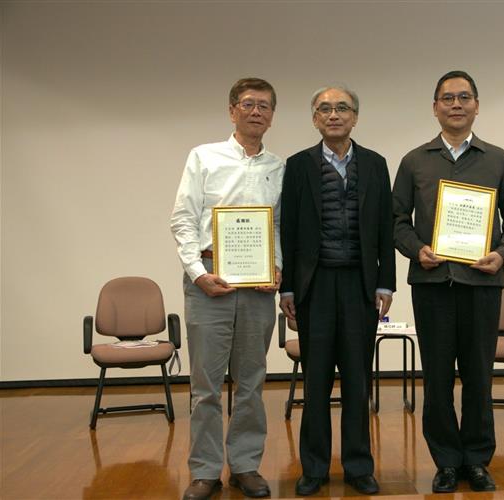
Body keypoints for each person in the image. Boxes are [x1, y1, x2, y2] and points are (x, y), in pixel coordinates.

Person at [392, 70, 504, 493]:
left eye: (464, 97)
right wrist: (417, 248)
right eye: (447, 98)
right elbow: (396, 221)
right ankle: (446, 462)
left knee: (478, 376)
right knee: (436, 379)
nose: (456, 104)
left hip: (482, 284)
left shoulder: (499, 159)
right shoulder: (415, 161)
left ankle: (476, 459)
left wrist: (502, 254)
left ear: (476, 105)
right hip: (433, 284)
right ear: (435, 107)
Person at [279, 85, 396, 496]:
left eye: (341, 108)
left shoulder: (377, 164)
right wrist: (288, 288)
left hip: (360, 285)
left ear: (355, 117)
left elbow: (385, 226)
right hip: (315, 287)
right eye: (324, 109)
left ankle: (358, 465)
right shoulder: (297, 166)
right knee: (315, 382)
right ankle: (313, 467)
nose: (333, 115)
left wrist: (386, 282)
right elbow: (289, 230)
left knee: (358, 380)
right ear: (314, 118)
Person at [170, 77, 283, 500]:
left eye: (265, 106)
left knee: (252, 381)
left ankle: (246, 465)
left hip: (257, 286)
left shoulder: (278, 167)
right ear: (232, 109)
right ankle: (203, 471)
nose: (257, 111)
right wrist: (198, 272)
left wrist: (278, 268)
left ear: (272, 116)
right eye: (249, 104)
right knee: (206, 385)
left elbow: (276, 227)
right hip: (209, 278)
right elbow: (183, 219)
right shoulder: (204, 157)